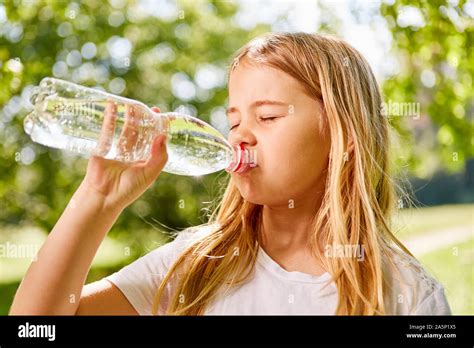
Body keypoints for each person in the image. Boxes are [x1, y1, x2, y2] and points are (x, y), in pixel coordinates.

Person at [10, 32, 451, 315]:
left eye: (269, 117)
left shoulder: (409, 297)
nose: (241, 137)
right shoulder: (196, 266)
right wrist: (97, 197)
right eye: (234, 119)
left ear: (342, 136)